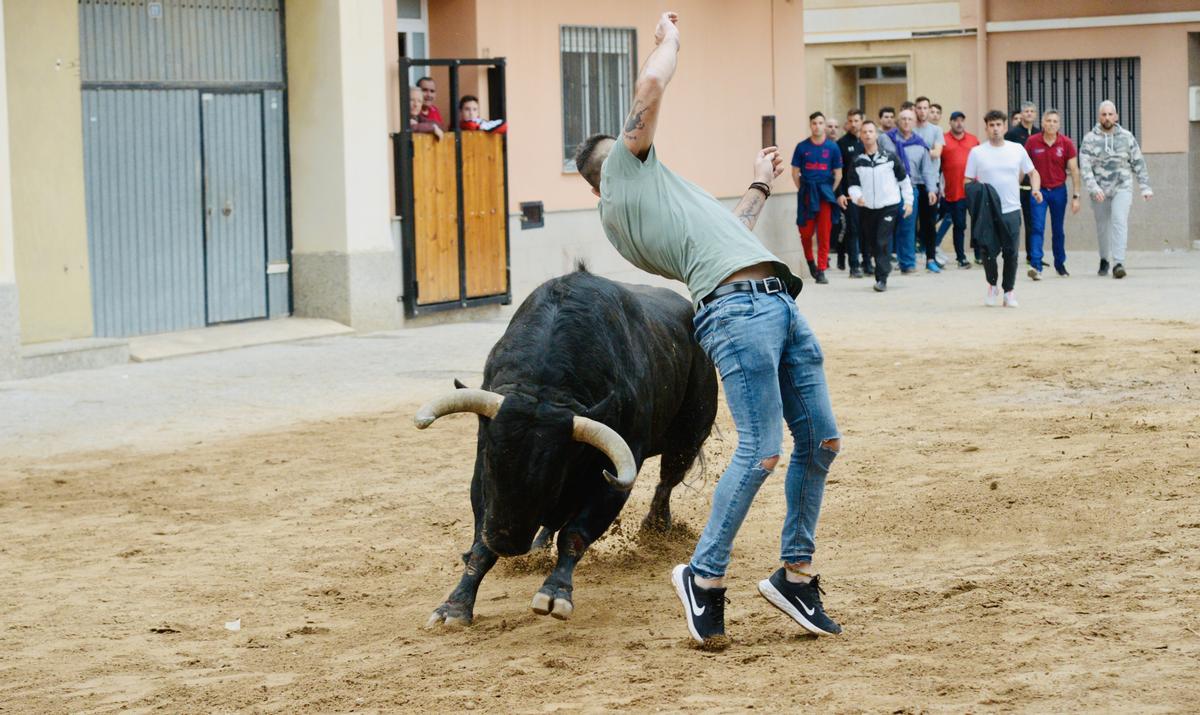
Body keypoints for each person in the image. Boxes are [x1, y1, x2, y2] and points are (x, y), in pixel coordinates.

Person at [573, 12, 842, 648]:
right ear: (611, 166)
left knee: (820, 442)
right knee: (762, 450)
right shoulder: (624, 177)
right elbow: (649, 89)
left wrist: (759, 184)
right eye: (632, 145)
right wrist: (669, 42)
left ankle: (795, 576)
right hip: (741, 311)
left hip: (773, 302)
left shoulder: (650, 200)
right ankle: (704, 575)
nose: (645, 145)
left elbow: (731, 234)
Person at [965, 110, 1043, 307]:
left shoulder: (1017, 149)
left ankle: (1009, 291)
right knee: (988, 252)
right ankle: (992, 286)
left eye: (998, 125)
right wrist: (978, 197)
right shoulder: (977, 152)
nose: (995, 129)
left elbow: (1033, 172)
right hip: (987, 212)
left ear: (1005, 127)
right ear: (986, 128)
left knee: (1011, 253)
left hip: (1011, 209)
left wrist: (1035, 190)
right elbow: (967, 181)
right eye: (991, 125)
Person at [1079, 100, 1153, 279]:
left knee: (1119, 221)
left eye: (1110, 114)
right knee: (1102, 226)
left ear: (1116, 116)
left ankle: (1119, 263)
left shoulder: (1127, 137)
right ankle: (1104, 259)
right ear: (1099, 117)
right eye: (1104, 114)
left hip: (1122, 186)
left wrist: (1145, 186)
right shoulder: (1089, 139)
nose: (1107, 117)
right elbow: (1085, 166)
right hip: (1099, 190)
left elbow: (1138, 162)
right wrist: (1093, 187)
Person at [846, 119, 913, 293]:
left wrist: (908, 202)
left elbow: (904, 180)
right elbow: (853, 185)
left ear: (876, 135)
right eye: (864, 132)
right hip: (868, 208)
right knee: (873, 242)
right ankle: (884, 267)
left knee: (881, 240)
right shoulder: (857, 161)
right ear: (860, 136)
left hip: (889, 205)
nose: (868, 135)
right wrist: (857, 197)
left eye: (870, 131)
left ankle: (881, 278)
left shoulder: (890, 157)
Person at [1023, 109, 1080, 278]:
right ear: (1042, 123)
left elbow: (1074, 170)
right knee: (1037, 227)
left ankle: (1060, 264)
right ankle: (1036, 266)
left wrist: (1076, 196)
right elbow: (1023, 165)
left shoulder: (1066, 143)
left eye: (1055, 121)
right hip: (1038, 191)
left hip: (1058, 191)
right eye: (1048, 121)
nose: (1051, 124)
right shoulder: (1032, 142)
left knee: (1058, 229)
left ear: (1059, 124)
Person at [882, 108, 937, 274]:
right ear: (898, 121)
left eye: (909, 119)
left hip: (910, 189)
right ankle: (883, 263)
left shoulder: (920, 143)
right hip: (888, 188)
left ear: (914, 122)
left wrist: (931, 189)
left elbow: (927, 169)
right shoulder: (885, 139)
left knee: (908, 227)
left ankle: (907, 263)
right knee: (885, 227)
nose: (906, 122)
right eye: (903, 119)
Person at [791, 112, 843, 284]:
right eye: (814, 123)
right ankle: (810, 262)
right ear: (810, 125)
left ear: (824, 125)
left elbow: (838, 174)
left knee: (824, 233)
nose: (817, 126)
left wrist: (828, 191)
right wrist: (803, 189)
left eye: (820, 123)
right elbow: (795, 172)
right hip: (807, 193)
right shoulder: (802, 147)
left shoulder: (832, 147)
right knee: (805, 232)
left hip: (825, 195)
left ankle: (821, 269)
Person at [939, 110, 979, 268]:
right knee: (960, 225)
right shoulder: (942, 140)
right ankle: (961, 258)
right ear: (950, 122)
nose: (959, 123)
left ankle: (979, 255)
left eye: (961, 120)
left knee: (978, 224)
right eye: (955, 120)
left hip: (973, 190)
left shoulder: (973, 140)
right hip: (954, 191)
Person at [1005, 101, 1040, 265]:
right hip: (1015, 186)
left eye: (1032, 111)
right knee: (1014, 222)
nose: (1029, 114)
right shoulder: (1011, 134)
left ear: (1035, 114)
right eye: (1026, 111)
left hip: (1032, 187)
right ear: (1022, 114)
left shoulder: (1039, 134)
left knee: (1032, 223)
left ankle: (1031, 256)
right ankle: (1011, 254)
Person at [836, 108, 869, 277]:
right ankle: (854, 266)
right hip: (850, 195)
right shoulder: (841, 144)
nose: (853, 124)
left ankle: (868, 264)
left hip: (869, 195)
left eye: (856, 120)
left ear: (862, 121)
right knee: (853, 230)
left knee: (867, 230)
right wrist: (840, 193)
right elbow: (837, 172)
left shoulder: (867, 142)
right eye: (850, 121)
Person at [913, 97, 946, 269]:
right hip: (911, 181)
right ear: (915, 109)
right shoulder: (909, 129)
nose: (922, 111)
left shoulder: (936, 130)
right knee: (909, 222)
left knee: (929, 223)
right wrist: (927, 149)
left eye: (925, 108)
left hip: (930, 182)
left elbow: (937, 153)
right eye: (919, 108)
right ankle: (908, 259)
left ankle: (931, 259)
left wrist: (917, 150)